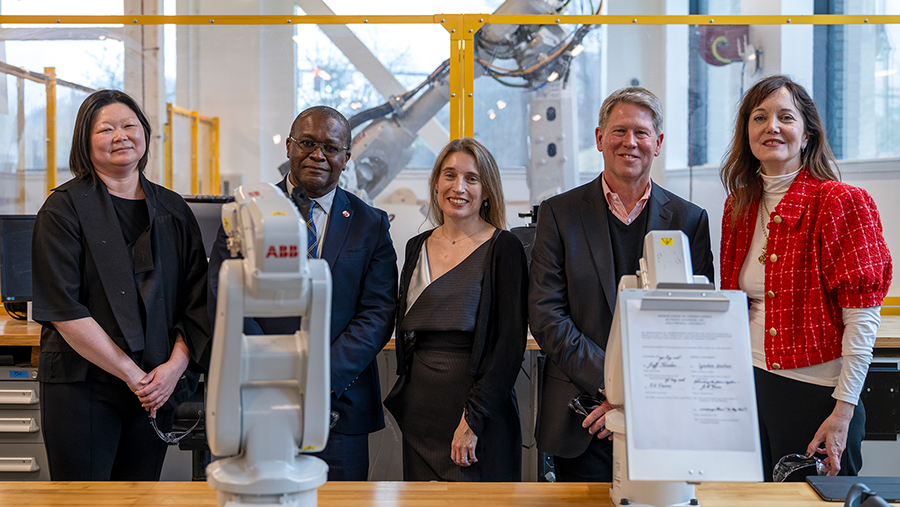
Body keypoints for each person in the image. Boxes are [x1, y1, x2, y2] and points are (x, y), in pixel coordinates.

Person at [529, 87, 715, 482]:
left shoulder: (689, 220)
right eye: (619, 131)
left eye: (641, 133)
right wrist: (613, 387)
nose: (630, 142)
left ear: (658, 143)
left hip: (662, 417)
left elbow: (697, 324)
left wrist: (641, 396)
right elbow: (546, 315)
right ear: (600, 138)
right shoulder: (559, 214)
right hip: (583, 414)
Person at [208, 106, 398, 481]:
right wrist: (270, 368)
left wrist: (319, 377)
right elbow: (223, 295)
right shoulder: (246, 214)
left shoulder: (369, 224)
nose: (318, 155)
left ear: (346, 157)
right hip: (258, 396)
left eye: (331, 147)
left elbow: (378, 313)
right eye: (307, 143)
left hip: (338, 405)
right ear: (289, 147)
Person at [719, 75, 892, 481]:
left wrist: (843, 411)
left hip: (816, 394)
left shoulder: (840, 202)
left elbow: (863, 319)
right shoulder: (738, 205)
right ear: (747, 133)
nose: (771, 127)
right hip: (749, 386)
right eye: (759, 117)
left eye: (786, 117)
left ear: (807, 134)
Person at [31, 89, 210, 480]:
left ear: (144, 133)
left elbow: (197, 300)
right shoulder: (62, 210)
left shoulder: (174, 210)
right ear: (85, 140)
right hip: (84, 385)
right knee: (82, 500)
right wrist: (133, 375)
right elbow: (64, 309)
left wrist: (172, 370)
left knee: (140, 496)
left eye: (129, 125)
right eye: (105, 129)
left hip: (156, 385)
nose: (120, 136)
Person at [383, 137, 527, 481]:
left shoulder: (504, 247)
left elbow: (509, 346)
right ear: (436, 183)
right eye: (449, 175)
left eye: (471, 178)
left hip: (478, 418)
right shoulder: (416, 246)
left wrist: (473, 420)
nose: (458, 187)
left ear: (487, 191)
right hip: (421, 416)